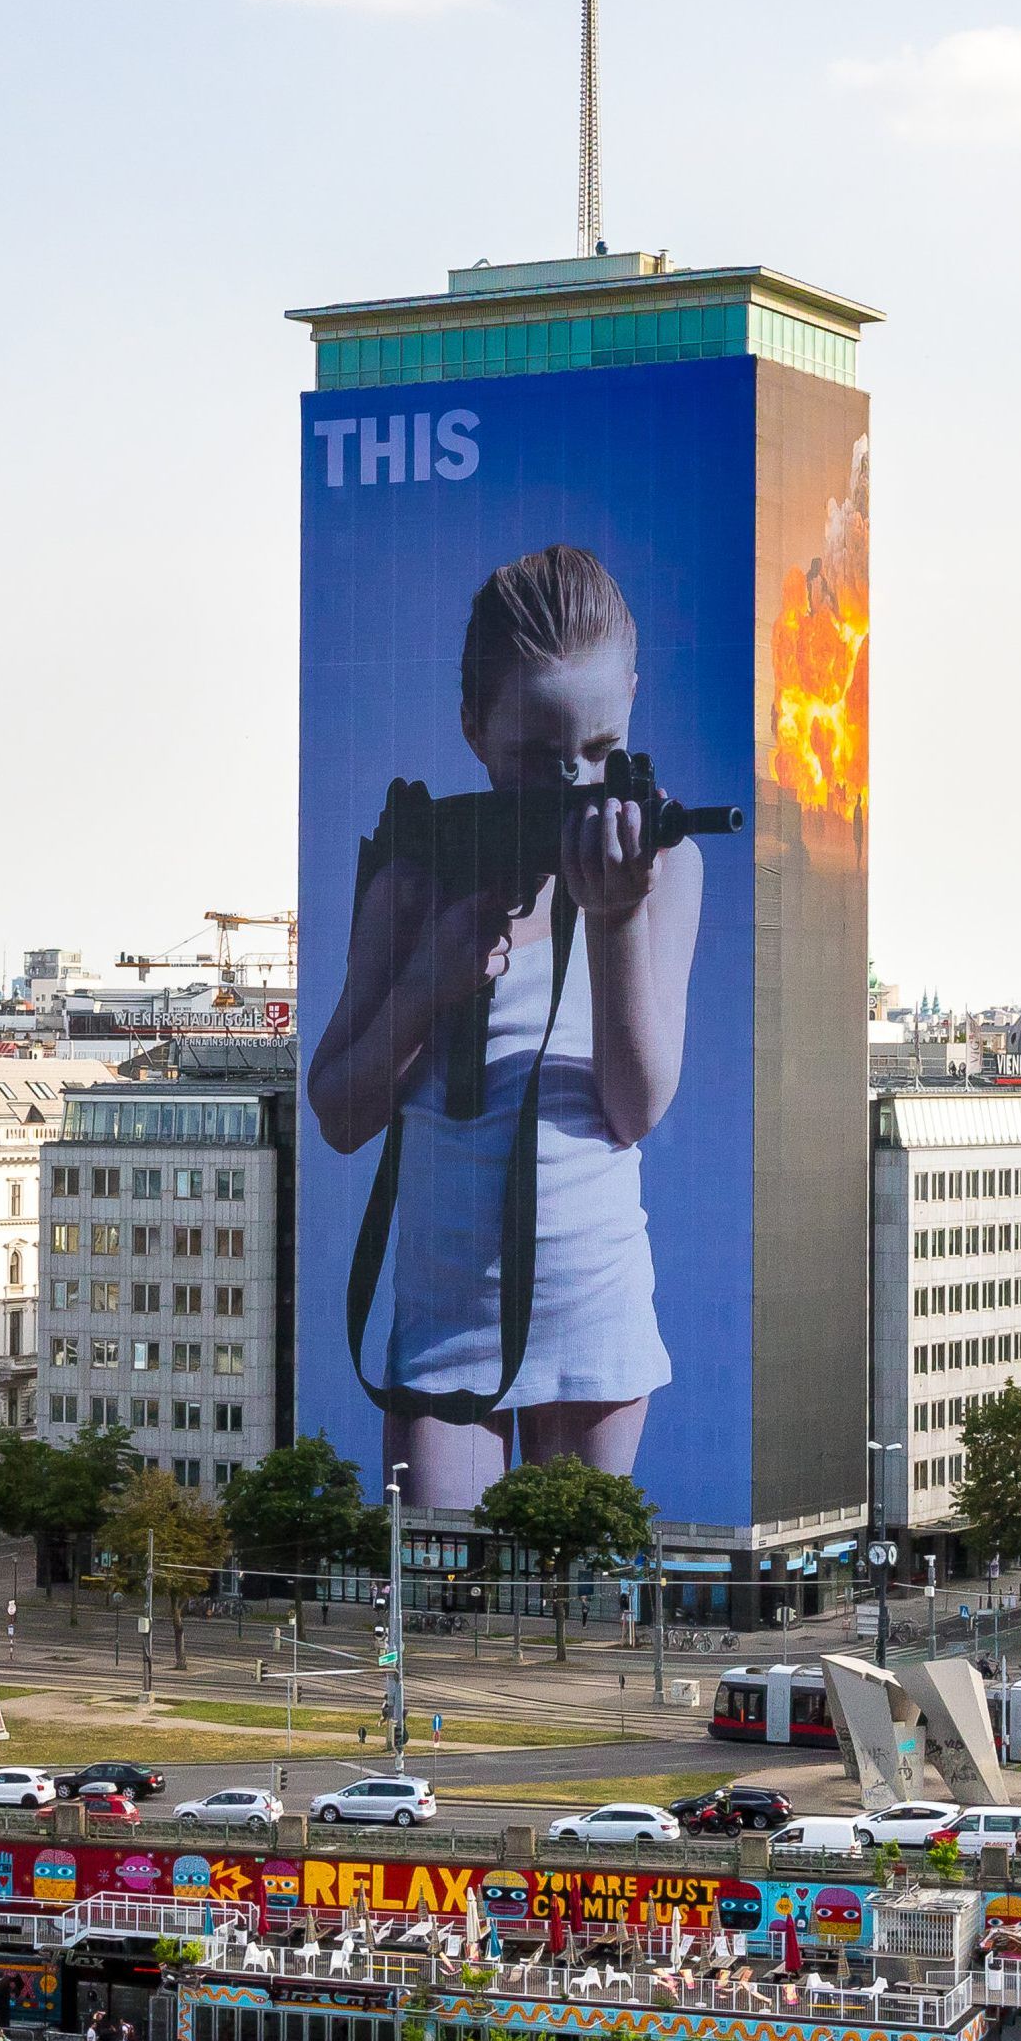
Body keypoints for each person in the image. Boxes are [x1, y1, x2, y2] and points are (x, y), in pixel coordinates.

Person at [309, 544, 701, 1507]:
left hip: (593, 1302)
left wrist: (614, 919)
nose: (575, 783)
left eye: (602, 750)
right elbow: (339, 1114)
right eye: (536, 759)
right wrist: (428, 983)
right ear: (473, 728)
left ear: (633, 702)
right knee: (436, 1584)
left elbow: (635, 1108)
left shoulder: (665, 868)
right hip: (445, 1321)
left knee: (578, 1586)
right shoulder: (417, 873)